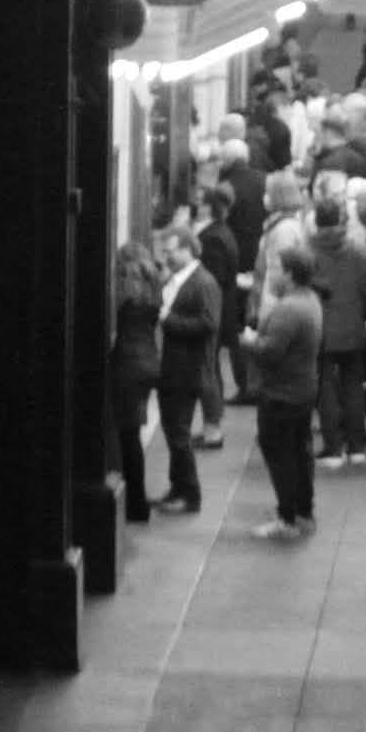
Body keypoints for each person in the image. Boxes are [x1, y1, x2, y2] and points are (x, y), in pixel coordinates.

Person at [250, 248, 324, 538]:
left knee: (280, 454)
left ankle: (287, 518)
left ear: (290, 274)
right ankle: (303, 512)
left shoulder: (289, 309)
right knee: (300, 452)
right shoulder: (310, 300)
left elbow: (270, 351)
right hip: (303, 388)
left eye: (276, 268)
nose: (272, 274)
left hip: (282, 393)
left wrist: (249, 341)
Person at [306, 183, 366, 467]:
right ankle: (357, 447)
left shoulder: (308, 250)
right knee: (353, 386)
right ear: (339, 219)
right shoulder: (358, 249)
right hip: (353, 326)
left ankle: (333, 448)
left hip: (321, 328)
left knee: (324, 387)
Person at [154, 218, 221, 517]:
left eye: (170, 251)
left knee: (179, 433)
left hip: (187, 370)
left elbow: (208, 324)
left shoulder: (203, 283)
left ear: (187, 250)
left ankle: (189, 494)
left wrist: (168, 320)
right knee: (173, 430)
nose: (165, 256)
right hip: (172, 368)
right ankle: (176, 487)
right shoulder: (178, 279)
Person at [108, 230, 164, 524]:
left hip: (127, 364)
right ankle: (136, 501)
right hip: (148, 361)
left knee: (128, 438)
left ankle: (136, 504)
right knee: (132, 434)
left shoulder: (123, 291)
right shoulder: (153, 289)